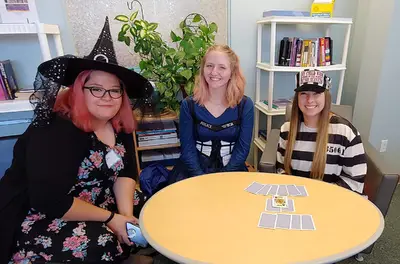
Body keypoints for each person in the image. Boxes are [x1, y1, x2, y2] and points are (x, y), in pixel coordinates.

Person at [0, 17, 154, 264]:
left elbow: (126, 172)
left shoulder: (118, 122)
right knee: (100, 242)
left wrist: (125, 216)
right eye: (96, 88)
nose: (107, 97)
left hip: (100, 198)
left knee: (152, 211)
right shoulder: (54, 130)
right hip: (47, 213)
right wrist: (110, 219)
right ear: (79, 90)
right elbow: (48, 199)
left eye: (115, 90)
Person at [169, 44, 254, 183]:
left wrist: (223, 179)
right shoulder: (188, 105)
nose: (214, 72)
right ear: (203, 69)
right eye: (209, 66)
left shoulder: (245, 105)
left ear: (232, 71)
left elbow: (243, 149)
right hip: (193, 172)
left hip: (233, 172)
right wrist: (201, 179)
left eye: (222, 67)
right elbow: (187, 149)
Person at [276, 69, 367, 193]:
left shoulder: (346, 133)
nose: (310, 100)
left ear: (326, 97)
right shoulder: (286, 129)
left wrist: (318, 196)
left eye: (316, 93)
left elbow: (355, 181)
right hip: (296, 199)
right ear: (297, 98)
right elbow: (281, 170)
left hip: (333, 200)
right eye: (304, 93)